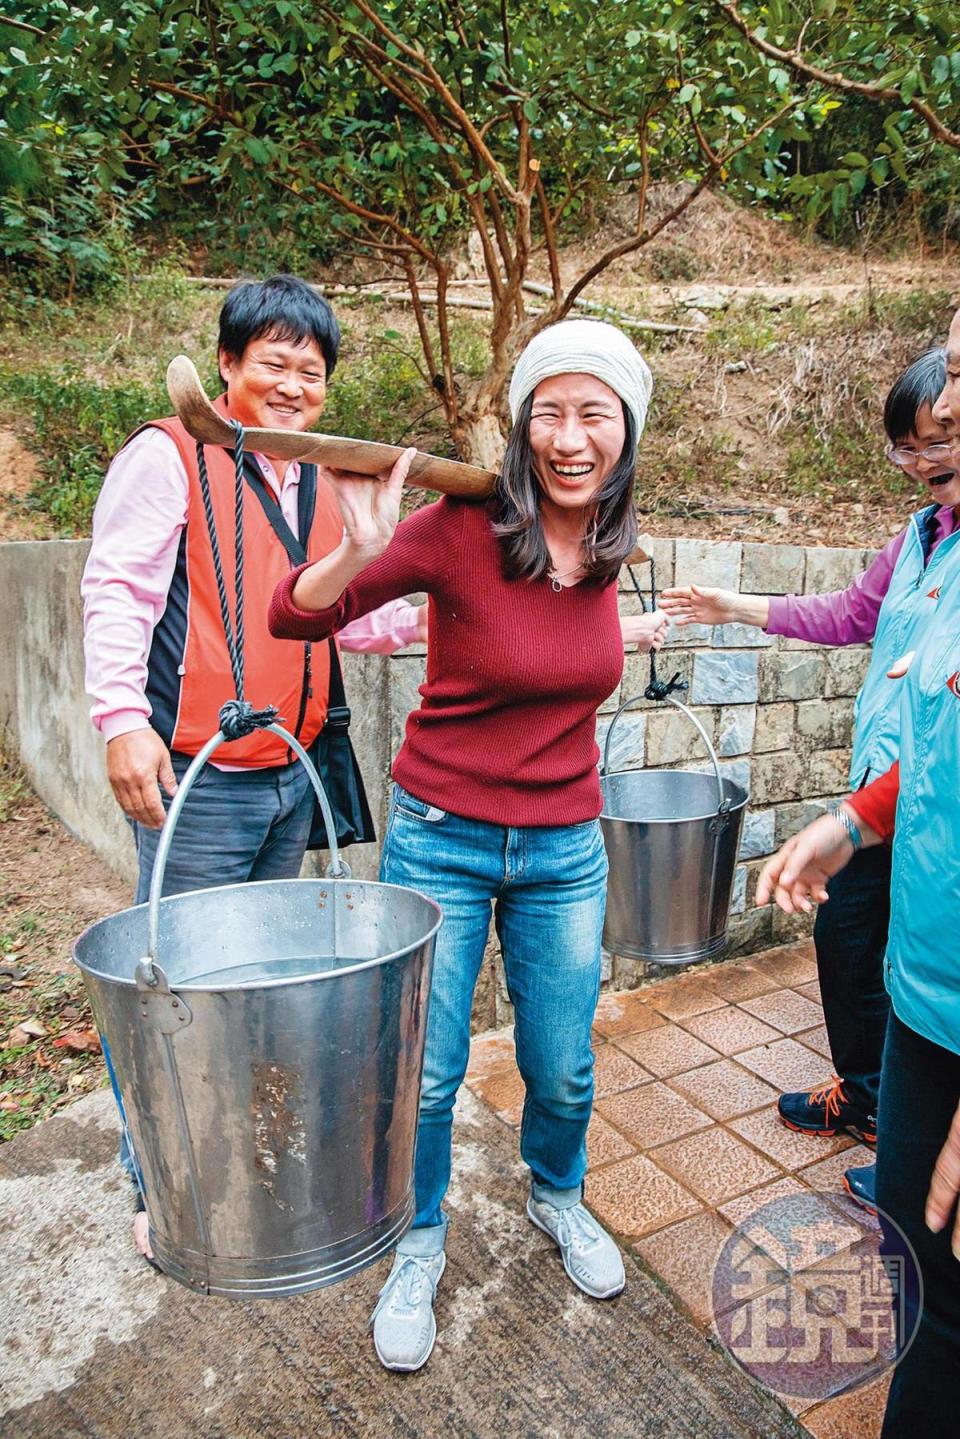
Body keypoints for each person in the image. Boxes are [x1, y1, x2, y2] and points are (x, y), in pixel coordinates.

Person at [269, 318, 655, 1372]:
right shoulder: (457, 526)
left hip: (566, 845)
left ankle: (558, 1193)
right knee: (427, 1073)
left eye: (595, 413)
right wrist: (353, 543)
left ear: (628, 431)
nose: (571, 436)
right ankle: (419, 1236)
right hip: (440, 837)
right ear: (525, 422)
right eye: (551, 410)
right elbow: (295, 617)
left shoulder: (614, 540)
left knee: (562, 1065)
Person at [81, 274, 423, 1256]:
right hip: (198, 777)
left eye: (309, 371)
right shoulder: (168, 455)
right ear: (227, 365)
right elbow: (119, 589)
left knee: (256, 978)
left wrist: (443, 603)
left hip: (289, 775)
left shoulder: (316, 477)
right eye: (271, 362)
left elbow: (355, 614)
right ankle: (162, 1186)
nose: (290, 385)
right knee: (170, 980)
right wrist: (119, 719)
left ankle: (235, 1144)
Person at [659, 347, 960, 1214]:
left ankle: (903, 1137)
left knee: (915, 978)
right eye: (907, 446)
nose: (925, 461)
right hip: (882, 796)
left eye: (943, 437)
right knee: (852, 948)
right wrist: (731, 606)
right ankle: (871, 1103)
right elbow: (849, 615)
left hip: (936, 812)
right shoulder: (916, 537)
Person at [756, 312, 960, 1436]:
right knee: (926, 1274)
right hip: (929, 964)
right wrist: (855, 816)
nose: (940, 432)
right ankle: (875, 1104)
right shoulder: (932, 538)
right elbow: (935, 740)